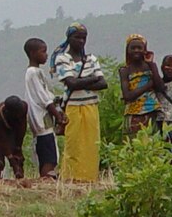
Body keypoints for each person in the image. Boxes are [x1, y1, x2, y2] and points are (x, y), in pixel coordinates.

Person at [50, 22, 107, 182]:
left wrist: (82, 80)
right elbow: (71, 83)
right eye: (77, 37)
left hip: (91, 106)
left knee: (91, 144)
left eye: (84, 38)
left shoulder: (91, 58)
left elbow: (104, 84)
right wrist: (93, 78)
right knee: (73, 144)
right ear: (69, 38)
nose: (81, 41)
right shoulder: (62, 59)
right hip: (73, 107)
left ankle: (89, 178)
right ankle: (71, 177)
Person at [23, 38, 66, 179]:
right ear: (32, 53)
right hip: (41, 120)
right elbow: (44, 98)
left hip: (44, 120)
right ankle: (47, 178)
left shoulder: (36, 72)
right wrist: (57, 114)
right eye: (43, 51)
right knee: (48, 154)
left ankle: (47, 176)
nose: (46, 55)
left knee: (49, 150)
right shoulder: (33, 73)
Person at [118, 34, 164, 136]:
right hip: (133, 114)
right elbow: (127, 96)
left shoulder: (151, 66)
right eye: (133, 48)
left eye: (139, 48)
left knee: (154, 147)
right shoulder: (125, 70)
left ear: (145, 50)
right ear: (127, 50)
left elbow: (161, 87)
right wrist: (150, 84)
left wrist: (152, 64)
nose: (136, 50)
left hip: (153, 111)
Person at [0, 96, 28, 179]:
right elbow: (2, 139)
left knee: (18, 155)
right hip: (0, 131)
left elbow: (22, 127)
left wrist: (18, 146)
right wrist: (11, 159)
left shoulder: (24, 107)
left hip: (14, 129)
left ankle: (20, 177)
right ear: (8, 112)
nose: (19, 114)